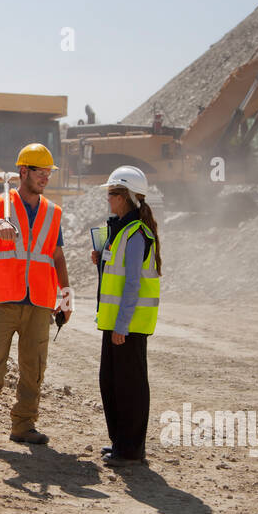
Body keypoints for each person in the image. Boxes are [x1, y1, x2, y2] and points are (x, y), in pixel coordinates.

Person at [0, 143, 70, 448]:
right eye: (40, 172)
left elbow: (57, 257)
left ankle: (24, 425)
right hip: (4, 299)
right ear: (24, 172)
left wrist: (66, 297)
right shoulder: (0, 204)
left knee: (33, 367)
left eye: (49, 172)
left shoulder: (53, 212)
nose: (46, 178)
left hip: (39, 302)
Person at [92, 165, 162, 467]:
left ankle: (131, 450)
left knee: (129, 386)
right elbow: (117, 276)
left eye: (111, 194)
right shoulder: (120, 230)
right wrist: (100, 261)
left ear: (125, 197)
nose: (108, 200)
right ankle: (121, 443)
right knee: (110, 383)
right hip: (116, 324)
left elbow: (133, 283)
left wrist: (122, 325)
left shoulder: (135, 234)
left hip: (128, 326)